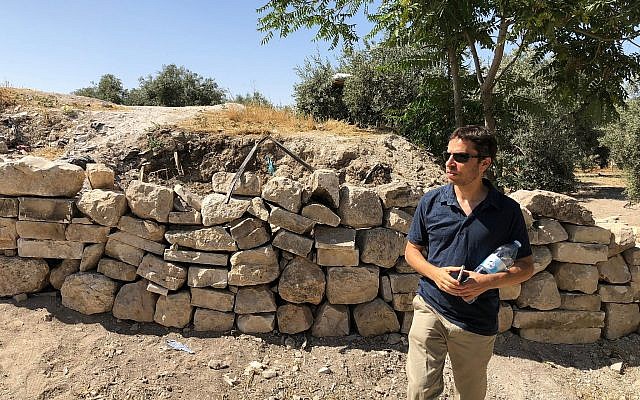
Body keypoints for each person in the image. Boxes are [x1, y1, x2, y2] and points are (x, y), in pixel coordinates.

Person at [405, 125, 534, 400]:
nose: (449, 162)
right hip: (431, 306)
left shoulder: (507, 210)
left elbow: (526, 265)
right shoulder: (431, 201)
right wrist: (435, 273)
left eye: (460, 157)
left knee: (470, 394)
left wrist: (486, 282)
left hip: (476, 321)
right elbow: (412, 250)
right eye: (448, 154)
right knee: (419, 391)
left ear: (484, 163)